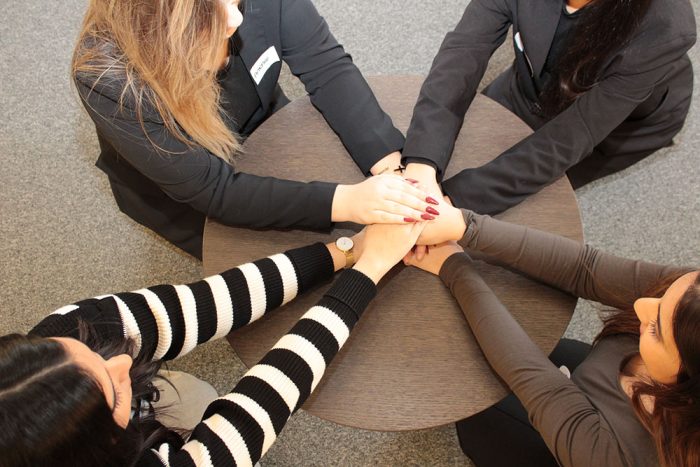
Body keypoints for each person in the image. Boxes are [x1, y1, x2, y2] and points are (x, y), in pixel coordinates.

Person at [0, 220, 425, 467]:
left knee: (191, 396)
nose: (122, 365)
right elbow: (256, 411)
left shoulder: (68, 329)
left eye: (92, 355)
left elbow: (203, 305)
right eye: (112, 396)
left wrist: (345, 252)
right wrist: (368, 272)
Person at [71, 0, 439, 258]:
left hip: (265, 128)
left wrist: (393, 169)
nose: (235, 21)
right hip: (187, 193)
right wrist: (350, 202)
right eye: (211, 12)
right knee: (263, 267)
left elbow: (327, 68)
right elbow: (215, 191)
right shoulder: (107, 78)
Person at [405, 205, 700, 466]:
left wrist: (453, 265)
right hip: (589, 388)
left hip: (572, 449)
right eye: (661, 297)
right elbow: (585, 269)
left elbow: (531, 376)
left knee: (475, 403)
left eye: (655, 329)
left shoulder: (621, 457)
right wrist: (464, 225)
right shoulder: (690, 302)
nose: (640, 305)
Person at [400, 0, 696, 215]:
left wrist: (453, 202)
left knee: (536, 203)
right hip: (531, 80)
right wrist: (422, 164)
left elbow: (574, 134)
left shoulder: (666, 27)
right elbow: (464, 52)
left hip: (618, 125)